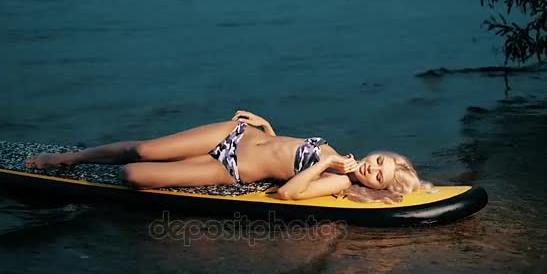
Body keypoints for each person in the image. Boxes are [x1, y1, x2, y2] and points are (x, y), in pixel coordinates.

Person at [25, 111, 428, 202]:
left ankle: (83, 164)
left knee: (133, 175)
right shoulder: (343, 156)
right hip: (237, 133)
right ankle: (69, 158)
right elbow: (285, 147)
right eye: (380, 161)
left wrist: (328, 164)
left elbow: (286, 194)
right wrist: (266, 125)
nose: (373, 168)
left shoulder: (339, 179)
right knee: (144, 148)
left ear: (373, 186)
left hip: (230, 167)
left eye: (378, 176)